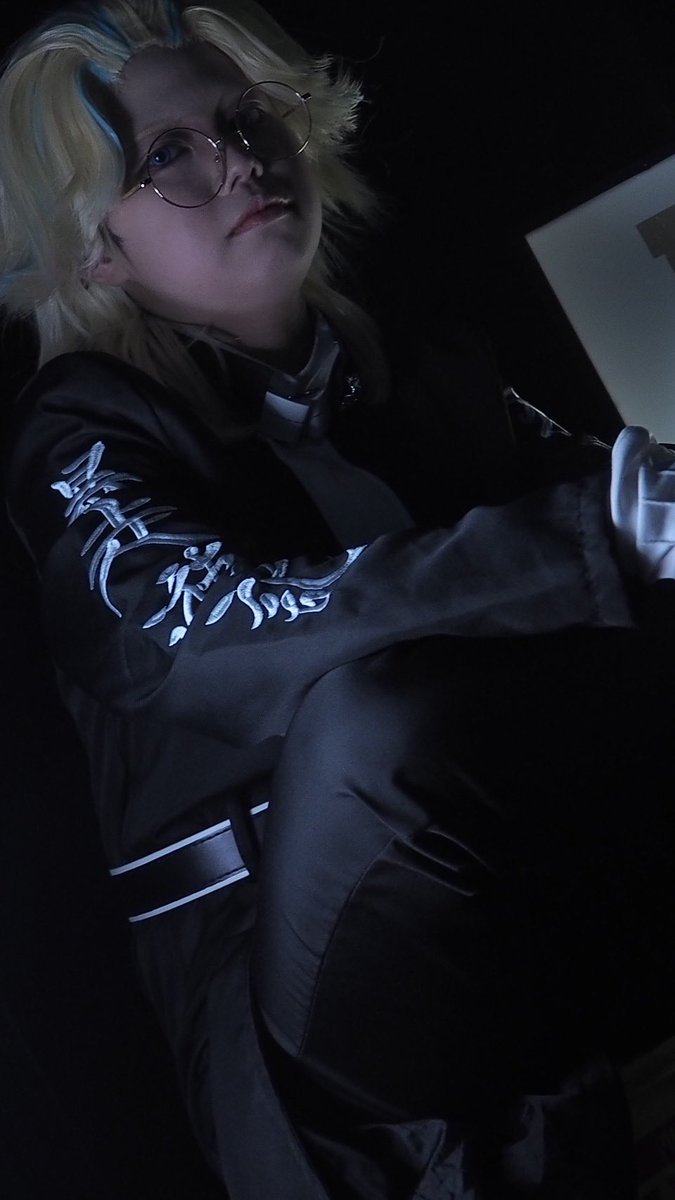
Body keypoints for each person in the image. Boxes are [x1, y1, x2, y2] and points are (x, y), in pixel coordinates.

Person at [1, 1, 674, 1195]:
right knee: (379, 723)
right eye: (169, 156)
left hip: (533, 905)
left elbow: (616, 505)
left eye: (246, 120)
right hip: (302, 1004)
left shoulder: (420, 371)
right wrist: (590, 537)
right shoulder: (79, 439)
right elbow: (209, 637)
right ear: (95, 246)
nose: (240, 162)